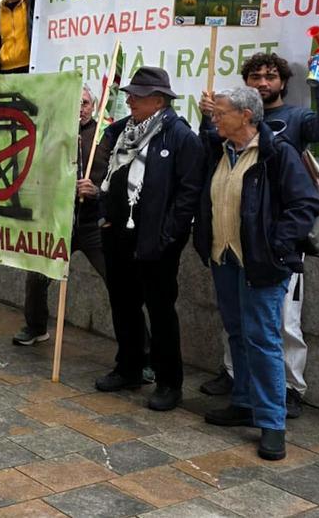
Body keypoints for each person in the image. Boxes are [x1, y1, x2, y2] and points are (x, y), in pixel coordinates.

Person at [199, 52, 319, 419]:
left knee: (277, 328)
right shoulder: (223, 141)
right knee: (238, 329)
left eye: (271, 77)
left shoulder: (291, 127)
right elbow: (207, 163)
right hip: (228, 251)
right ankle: (242, 393)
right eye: (256, 76)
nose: (263, 83)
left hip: (268, 252)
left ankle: (282, 399)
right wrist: (208, 117)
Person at [192, 86, 319, 461]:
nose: (215, 119)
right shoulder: (220, 150)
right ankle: (244, 402)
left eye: (221, 113)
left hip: (261, 263)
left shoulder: (277, 152)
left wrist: (276, 246)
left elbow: (305, 204)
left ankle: (272, 422)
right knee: (237, 332)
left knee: (263, 339)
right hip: (224, 257)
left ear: (246, 115)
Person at [84, 66, 202, 412]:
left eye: (138, 96)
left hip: (156, 243)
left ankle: (169, 383)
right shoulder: (120, 130)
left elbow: (188, 193)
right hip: (116, 234)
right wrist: (104, 212)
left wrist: (168, 235)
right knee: (123, 305)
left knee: (161, 312)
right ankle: (129, 367)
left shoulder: (180, 137)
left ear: (159, 100)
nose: (130, 101)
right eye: (129, 95)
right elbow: (105, 174)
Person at [15, 85, 110, 345]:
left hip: (92, 223)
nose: (80, 108)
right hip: (59, 221)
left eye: (85, 103)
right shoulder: (53, 133)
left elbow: (117, 179)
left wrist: (97, 190)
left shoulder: (105, 135)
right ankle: (35, 327)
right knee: (37, 276)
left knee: (116, 280)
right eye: (75, 102)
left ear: (94, 106)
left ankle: (139, 349)